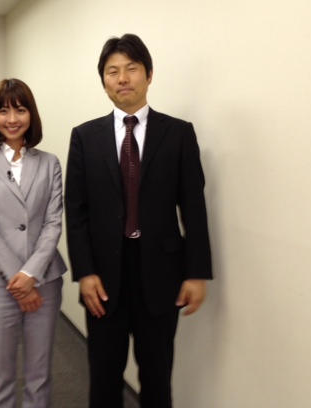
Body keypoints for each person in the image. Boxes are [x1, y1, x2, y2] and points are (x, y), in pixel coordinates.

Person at [65, 34, 213, 408]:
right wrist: (85, 272)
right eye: (112, 71)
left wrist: (196, 273)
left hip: (161, 275)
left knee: (157, 380)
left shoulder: (178, 133)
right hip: (103, 279)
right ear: (104, 81)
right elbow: (76, 211)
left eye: (131, 68)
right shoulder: (85, 137)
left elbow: (193, 207)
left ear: (149, 75)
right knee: (103, 380)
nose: (122, 78)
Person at [0, 78, 67, 408]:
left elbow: (53, 222)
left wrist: (31, 274)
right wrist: (19, 281)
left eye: (20, 110)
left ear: (31, 115)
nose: (12, 119)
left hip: (45, 282)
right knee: (1, 376)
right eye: (3, 111)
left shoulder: (49, 163)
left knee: (40, 375)